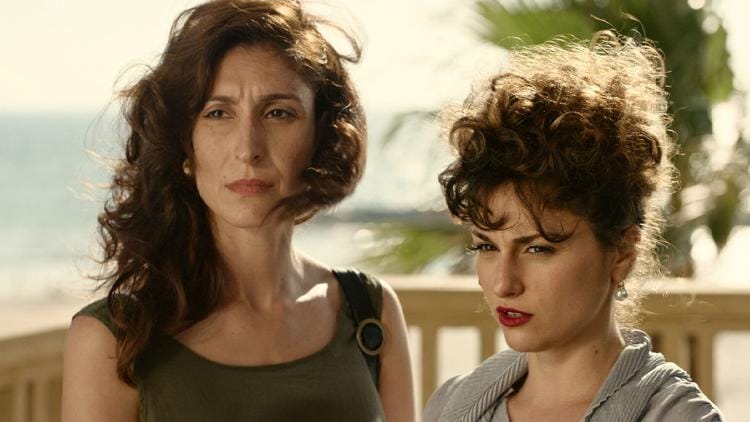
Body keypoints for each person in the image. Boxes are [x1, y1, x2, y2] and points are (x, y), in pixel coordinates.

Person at [61, 1, 415, 421]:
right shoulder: (113, 341)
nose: (248, 149)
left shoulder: (370, 313)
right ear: (185, 144)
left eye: (278, 113)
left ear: (321, 135)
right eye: (218, 113)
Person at [423, 31, 723, 421]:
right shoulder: (451, 406)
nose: (503, 283)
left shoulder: (674, 416)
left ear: (622, 253)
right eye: (487, 246)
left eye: (538, 248)